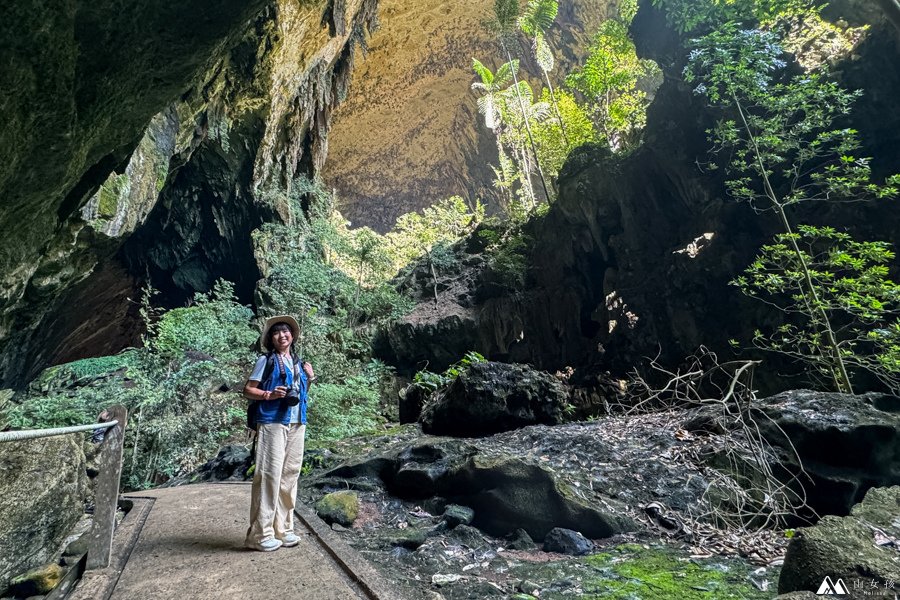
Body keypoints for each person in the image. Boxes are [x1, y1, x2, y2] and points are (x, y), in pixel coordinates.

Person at [243, 315, 315, 552]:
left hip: (297, 422)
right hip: (272, 420)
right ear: (271, 339)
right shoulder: (266, 361)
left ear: (292, 336)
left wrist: (310, 378)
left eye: (286, 331)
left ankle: (283, 529)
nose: (282, 335)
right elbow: (248, 389)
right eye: (276, 333)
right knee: (269, 474)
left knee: (290, 474)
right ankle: (260, 535)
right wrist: (268, 394)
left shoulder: (298, 362)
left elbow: (300, 393)